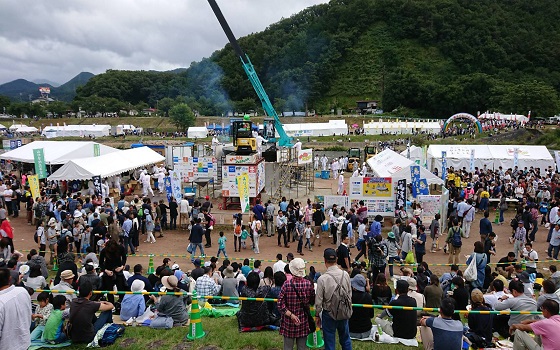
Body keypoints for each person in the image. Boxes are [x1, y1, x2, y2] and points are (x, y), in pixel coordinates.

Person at [315, 248, 352, 350]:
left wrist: (317, 315)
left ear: (324, 260)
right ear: (337, 259)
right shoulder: (346, 275)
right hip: (344, 311)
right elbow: (349, 294)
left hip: (329, 313)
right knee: (345, 339)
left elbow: (318, 302)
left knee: (329, 341)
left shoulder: (322, 279)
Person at [277, 258, 316, 350]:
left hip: (288, 322)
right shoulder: (308, 284)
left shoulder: (286, 284)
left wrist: (291, 315)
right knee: (302, 347)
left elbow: (280, 304)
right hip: (303, 320)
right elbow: (312, 301)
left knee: (288, 347)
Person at [0, 268, 31, 350]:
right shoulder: (22, 291)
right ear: (10, 278)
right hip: (24, 342)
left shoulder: (1, 302)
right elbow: (28, 314)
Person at [99, 239, 127, 305]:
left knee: (121, 288)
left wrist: (121, 267)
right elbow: (101, 263)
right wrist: (106, 270)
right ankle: (111, 304)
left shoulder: (120, 248)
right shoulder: (104, 250)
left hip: (118, 269)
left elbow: (124, 258)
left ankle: (121, 303)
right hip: (108, 270)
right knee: (109, 289)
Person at [349, 274, 374, 339]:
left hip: (351, 331)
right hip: (367, 331)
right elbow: (371, 315)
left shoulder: (349, 297)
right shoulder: (368, 297)